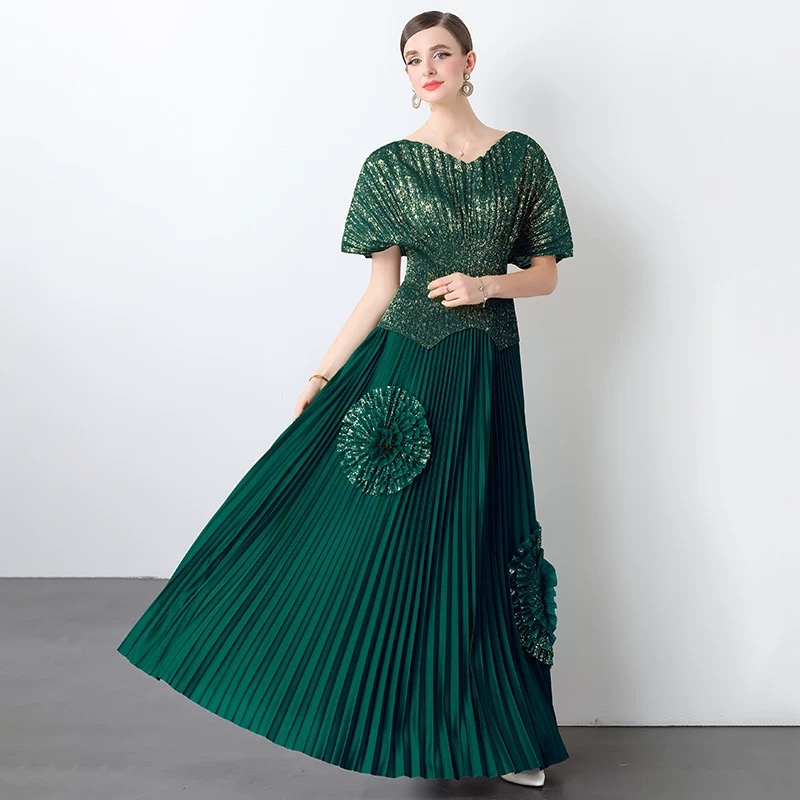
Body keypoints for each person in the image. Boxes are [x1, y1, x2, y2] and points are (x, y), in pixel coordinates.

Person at [117, 9, 574, 788]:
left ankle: (505, 735)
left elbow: (547, 274)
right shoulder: (389, 166)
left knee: (490, 534)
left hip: (488, 368)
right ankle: (395, 719)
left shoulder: (522, 158)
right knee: (401, 542)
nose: (427, 68)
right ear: (407, 75)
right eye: (413, 59)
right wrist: (323, 375)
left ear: (469, 62)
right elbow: (379, 291)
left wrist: (486, 285)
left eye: (441, 53)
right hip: (409, 371)